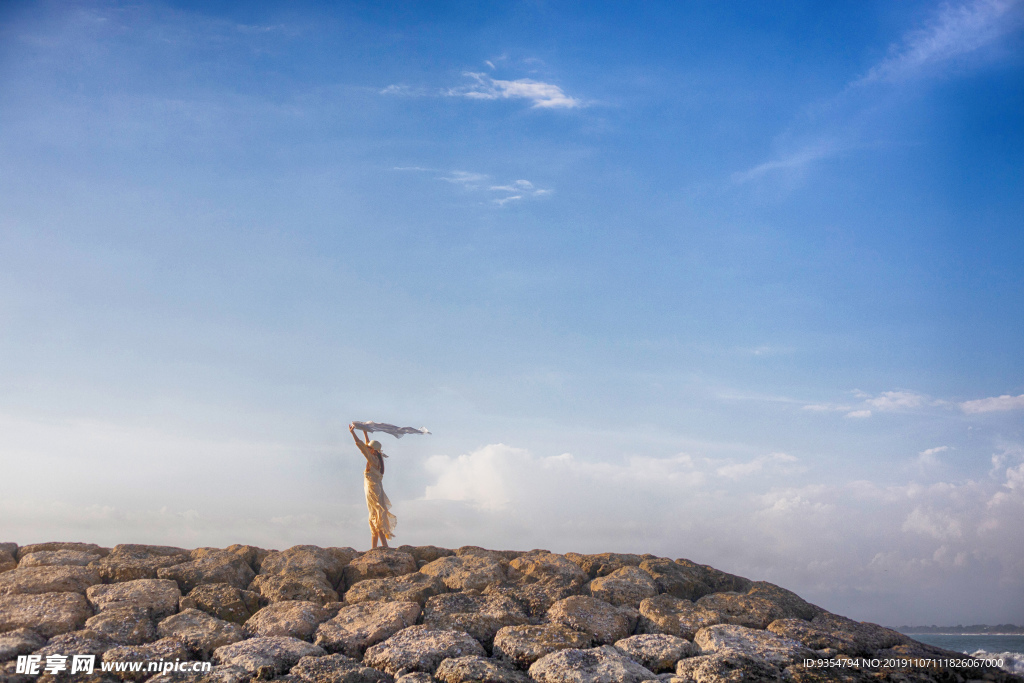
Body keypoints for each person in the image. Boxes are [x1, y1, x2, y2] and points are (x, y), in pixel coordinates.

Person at [349, 423, 397, 548]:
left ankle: (384, 546)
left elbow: (361, 446)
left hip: (372, 489)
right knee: (375, 514)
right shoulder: (378, 458)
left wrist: (353, 433)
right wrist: (365, 432)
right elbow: (366, 445)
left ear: (372, 450)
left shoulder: (372, 459)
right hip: (376, 488)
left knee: (376, 515)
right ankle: (374, 547)